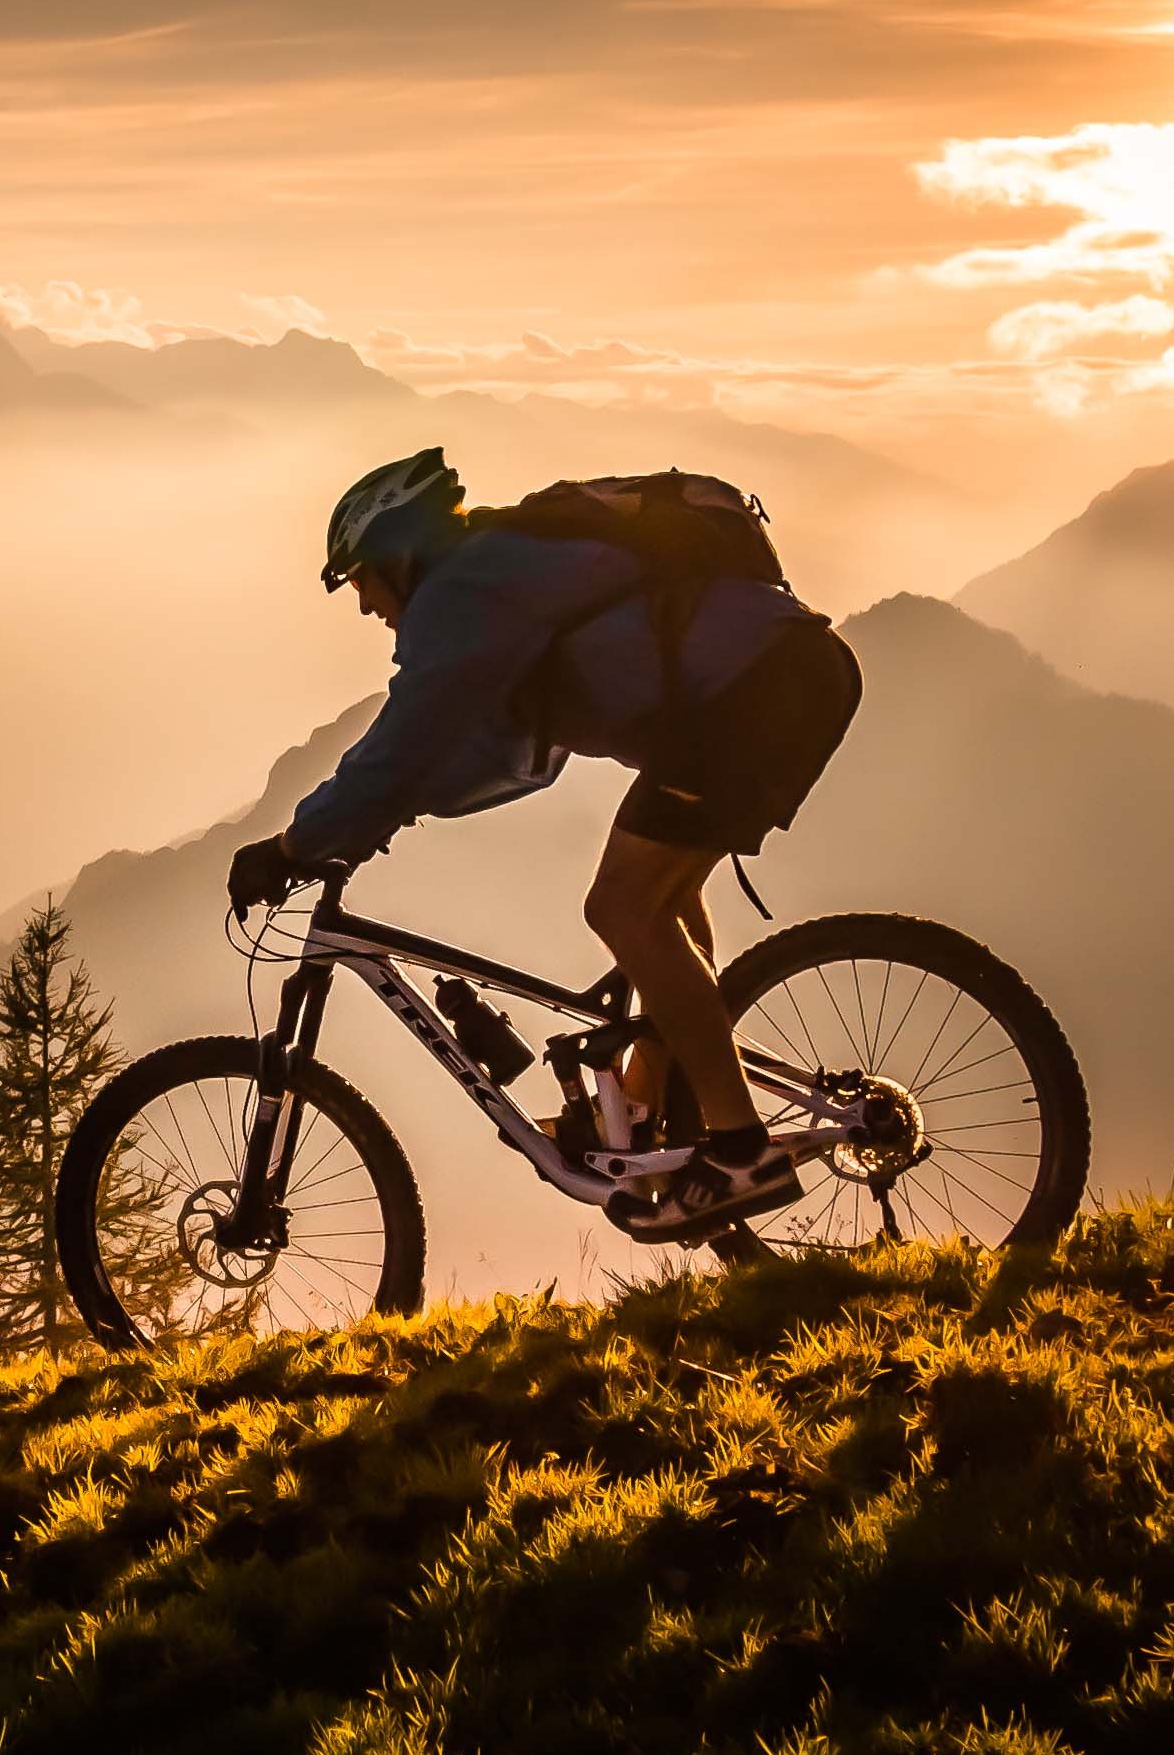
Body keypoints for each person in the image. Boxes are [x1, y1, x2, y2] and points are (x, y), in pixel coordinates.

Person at [223, 448, 863, 1239]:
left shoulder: (462, 590)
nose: (363, 606)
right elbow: (490, 751)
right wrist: (380, 814)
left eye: (360, 579)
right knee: (660, 901)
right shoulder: (501, 576)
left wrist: (293, 845)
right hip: (776, 684)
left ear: (397, 554)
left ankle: (740, 1154)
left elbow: (407, 734)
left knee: (626, 909)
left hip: (756, 696)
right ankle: (645, 1110)